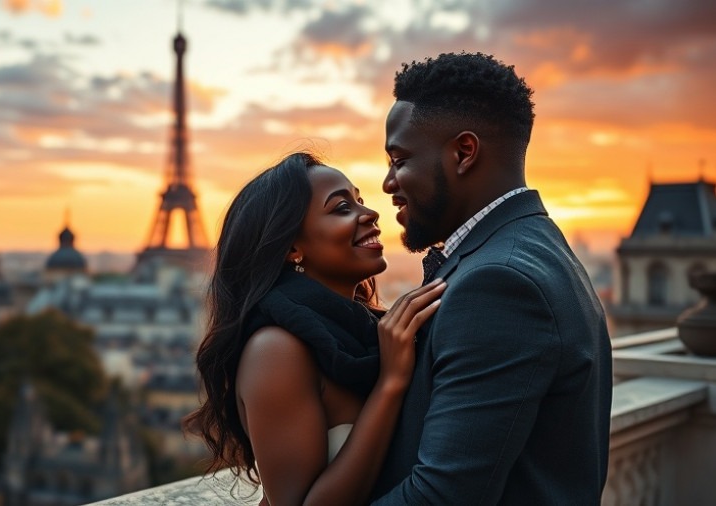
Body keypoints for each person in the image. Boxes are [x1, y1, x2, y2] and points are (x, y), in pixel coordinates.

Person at [371, 52, 613, 504]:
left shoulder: (499, 283)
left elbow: (439, 496)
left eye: (399, 159)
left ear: (464, 152)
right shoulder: (536, 247)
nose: (388, 183)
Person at [184, 152, 446, 506]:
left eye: (360, 200)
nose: (369, 214)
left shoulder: (364, 332)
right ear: (293, 247)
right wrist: (390, 383)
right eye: (342, 207)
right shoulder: (276, 350)